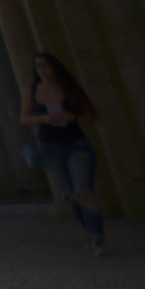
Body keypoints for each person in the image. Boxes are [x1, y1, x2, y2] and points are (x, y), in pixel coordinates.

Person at [24, 52, 106, 255]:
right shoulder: (31, 91)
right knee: (70, 194)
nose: (41, 69)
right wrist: (45, 119)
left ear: (54, 67)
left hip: (76, 144)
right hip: (49, 146)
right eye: (37, 66)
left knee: (83, 191)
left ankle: (97, 238)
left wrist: (72, 117)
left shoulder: (69, 89)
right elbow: (24, 118)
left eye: (45, 65)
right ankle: (90, 233)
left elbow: (90, 116)